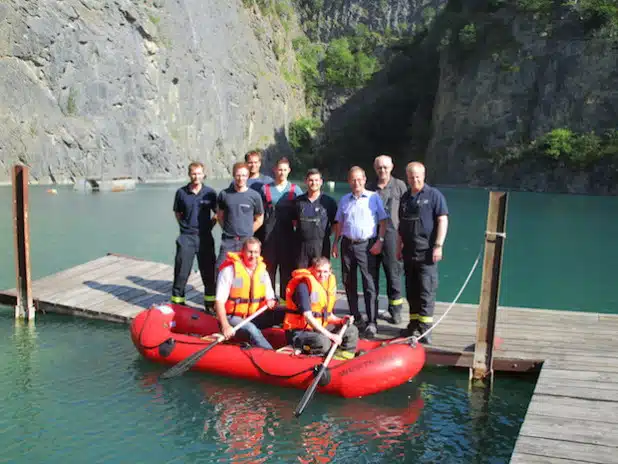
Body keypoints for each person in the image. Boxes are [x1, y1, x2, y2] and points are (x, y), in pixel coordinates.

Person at [332, 166, 388, 339]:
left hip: (367, 245)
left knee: (369, 284)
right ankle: (356, 317)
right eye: (353, 180)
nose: (356, 183)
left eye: (359, 179)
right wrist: (335, 243)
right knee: (349, 282)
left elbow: (383, 221)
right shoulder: (344, 200)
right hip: (347, 245)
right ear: (349, 181)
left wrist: (380, 241)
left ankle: (372, 322)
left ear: (364, 179)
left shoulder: (373, 197)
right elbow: (339, 223)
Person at [397, 161, 449, 344]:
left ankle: (426, 329)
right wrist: (398, 247)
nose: (414, 179)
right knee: (411, 291)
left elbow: (443, 220)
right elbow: (400, 227)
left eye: (417, 176)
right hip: (408, 253)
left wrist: (438, 245)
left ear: (424, 175)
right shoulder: (405, 198)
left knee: (426, 291)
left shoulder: (434, 195)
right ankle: (413, 324)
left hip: (427, 253)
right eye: (411, 177)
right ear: (407, 177)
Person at [283, 257, 359, 360]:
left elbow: (327, 315)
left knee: (351, 330)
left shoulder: (326, 286)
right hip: (300, 331)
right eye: (319, 271)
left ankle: (341, 358)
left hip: (318, 328)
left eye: (325, 272)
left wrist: (341, 320)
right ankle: (300, 347)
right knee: (323, 342)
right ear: (312, 270)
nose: (322, 275)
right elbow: (308, 317)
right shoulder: (303, 286)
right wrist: (330, 335)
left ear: (330, 272)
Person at [214, 237, 279, 349]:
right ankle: (272, 355)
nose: (252, 256)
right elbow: (219, 302)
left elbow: (270, 297)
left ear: (259, 253)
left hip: (254, 315)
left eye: (256, 252)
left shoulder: (262, 272)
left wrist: (271, 302)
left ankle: (298, 343)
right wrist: (225, 326)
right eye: (249, 252)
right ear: (243, 252)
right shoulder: (229, 271)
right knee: (251, 329)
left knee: (284, 313)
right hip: (233, 317)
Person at [170, 161, 218, 310]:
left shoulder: (210, 193)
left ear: (204, 175)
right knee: (181, 271)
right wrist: (185, 227)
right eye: (194, 173)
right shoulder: (181, 193)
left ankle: (210, 305)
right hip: (186, 237)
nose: (196, 176)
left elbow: (217, 213)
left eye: (199, 173)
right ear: (189, 174)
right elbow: (178, 213)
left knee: (209, 272)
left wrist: (208, 226)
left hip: (205, 237)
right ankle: (177, 304)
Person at [367, 155, 408, 324]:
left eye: (385, 167)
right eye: (379, 168)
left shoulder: (400, 186)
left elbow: (407, 211)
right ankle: (372, 311)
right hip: (372, 234)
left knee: (394, 274)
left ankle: (395, 310)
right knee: (371, 274)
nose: (382, 170)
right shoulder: (369, 187)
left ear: (391, 167)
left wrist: (405, 238)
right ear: (375, 169)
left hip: (393, 235)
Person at [259, 157, 303, 300]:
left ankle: (285, 301)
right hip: (269, 238)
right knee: (268, 270)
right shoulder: (265, 189)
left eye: (284, 170)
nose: (282, 173)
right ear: (274, 170)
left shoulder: (295, 190)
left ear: (289, 171)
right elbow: (258, 213)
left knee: (286, 271)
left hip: (288, 237)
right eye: (279, 169)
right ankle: (269, 300)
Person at [216, 162, 264, 271]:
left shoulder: (255, 196)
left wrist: (248, 232)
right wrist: (228, 229)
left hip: (246, 241)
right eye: (238, 175)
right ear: (233, 175)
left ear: (247, 176)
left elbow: (259, 219)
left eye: (243, 175)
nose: (240, 178)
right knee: (220, 269)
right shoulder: (224, 194)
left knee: (246, 271)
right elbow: (220, 216)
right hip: (228, 240)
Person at [293, 168, 338, 268]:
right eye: (311, 180)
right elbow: (294, 222)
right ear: (306, 181)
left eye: (316, 180)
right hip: (302, 248)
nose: (314, 183)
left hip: (321, 246)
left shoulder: (329, 202)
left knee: (320, 276)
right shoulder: (298, 201)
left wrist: (328, 234)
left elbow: (336, 224)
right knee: (302, 277)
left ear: (321, 182)